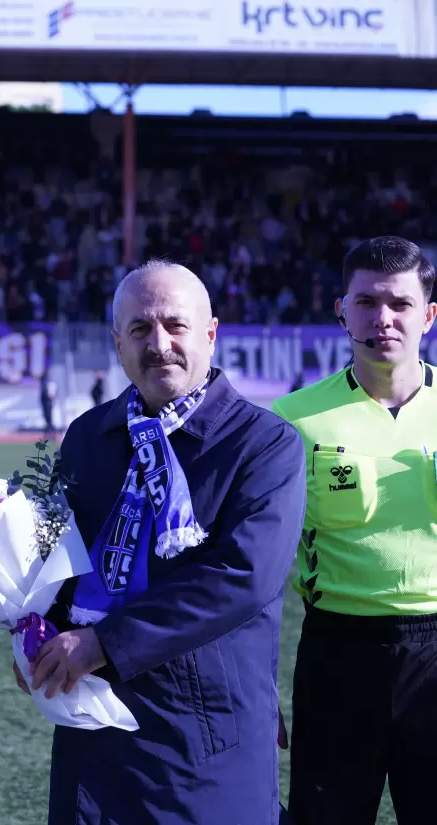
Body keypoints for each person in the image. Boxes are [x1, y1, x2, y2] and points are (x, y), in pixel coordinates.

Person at [27, 259, 305, 824]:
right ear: (118, 342)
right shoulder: (87, 436)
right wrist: (36, 635)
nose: (159, 344)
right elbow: (58, 557)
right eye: (140, 329)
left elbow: (241, 577)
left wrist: (103, 642)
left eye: (176, 325)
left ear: (211, 333)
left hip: (203, 734)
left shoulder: (264, 443)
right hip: (93, 725)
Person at [272, 236, 437, 825]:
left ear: (429, 315)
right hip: (337, 655)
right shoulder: (290, 422)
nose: (383, 318)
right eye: (366, 302)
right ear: (342, 310)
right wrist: (253, 681)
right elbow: (255, 566)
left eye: (400, 303)